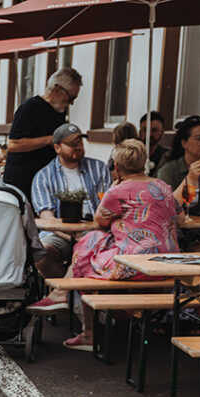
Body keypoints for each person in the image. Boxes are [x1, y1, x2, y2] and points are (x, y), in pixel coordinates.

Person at [61, 140, 181, 350]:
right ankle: (122, 315)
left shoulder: (118, 191)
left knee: (86, 249)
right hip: (166, 263)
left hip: (134, 266)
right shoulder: (163, 186)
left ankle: (89, 331)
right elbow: (179, 216)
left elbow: (100, 221)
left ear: (116, 167)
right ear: (144, 163)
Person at [27, 122, 112, 313]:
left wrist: (88, 236)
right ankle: (74, 295)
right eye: (71, 143)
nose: (78, 146)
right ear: (57, 147)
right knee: (41, 253)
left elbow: (108, 208)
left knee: (87, 247)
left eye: (79, 142)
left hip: (97, 233)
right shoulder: (43, 176)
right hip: (62, 235)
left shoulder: (99, 168)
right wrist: (73, 237)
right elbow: (48, 220)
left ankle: (62, 293)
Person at [4, 67, 82, 204]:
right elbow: (13, 145)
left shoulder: (59, 112)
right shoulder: (30, 108)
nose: (72, 103)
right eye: (71, 97)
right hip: (22, 184)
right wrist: (48, 140)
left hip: (46, 183)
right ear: (57, 90)